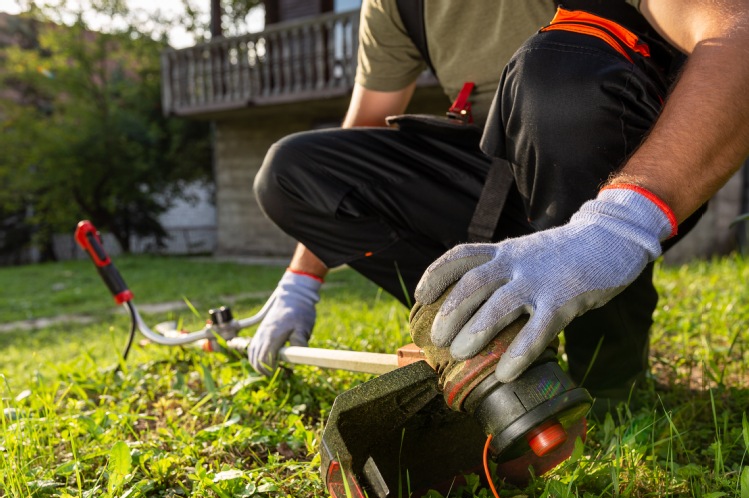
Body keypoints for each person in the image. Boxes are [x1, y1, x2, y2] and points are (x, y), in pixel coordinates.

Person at [250, 0, 749, 411]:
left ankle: (610, 369)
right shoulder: (395, 5)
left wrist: (619, 223)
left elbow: (738, 35)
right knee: (292, 171)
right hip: (488, 178)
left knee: (557, 69)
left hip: (619, 178)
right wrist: (302, 278)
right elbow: (363, 126)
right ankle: (485, 339)